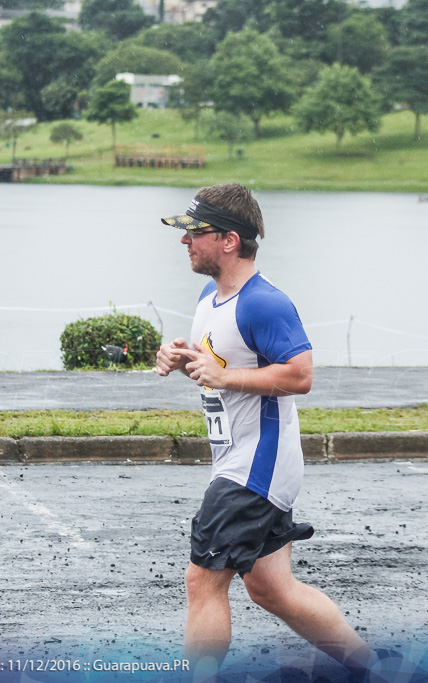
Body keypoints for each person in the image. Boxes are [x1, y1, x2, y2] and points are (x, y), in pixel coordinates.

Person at [155, 184, 374, 680]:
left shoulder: (265, 303)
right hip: (246, 461)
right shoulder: (211, 297)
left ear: (229, 240)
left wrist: (225, 376)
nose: (184, 242)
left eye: (195, 233)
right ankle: (370, 667)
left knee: (202, 580)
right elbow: (218, 362)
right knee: (272, 589)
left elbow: (300, 375)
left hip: (255, 466)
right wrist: (179, 357)